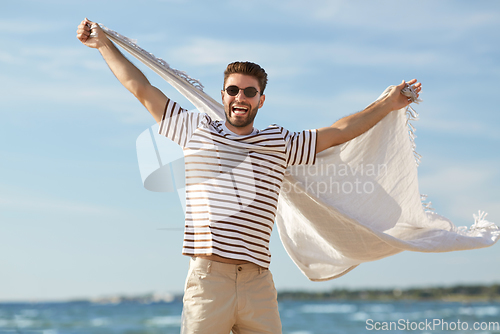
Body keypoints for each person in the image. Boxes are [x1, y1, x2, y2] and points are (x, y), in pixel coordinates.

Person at [77, 18, 421, 334]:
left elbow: (338, 132)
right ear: (223, 95)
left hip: (258, 283)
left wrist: (388, 103)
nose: (240, 97)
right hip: (209, 281)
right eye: (232, 90)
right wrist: (104, 45)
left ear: (260, 100)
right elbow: (140, 88)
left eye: (249, 92)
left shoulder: (278, 142)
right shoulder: (194, 129)